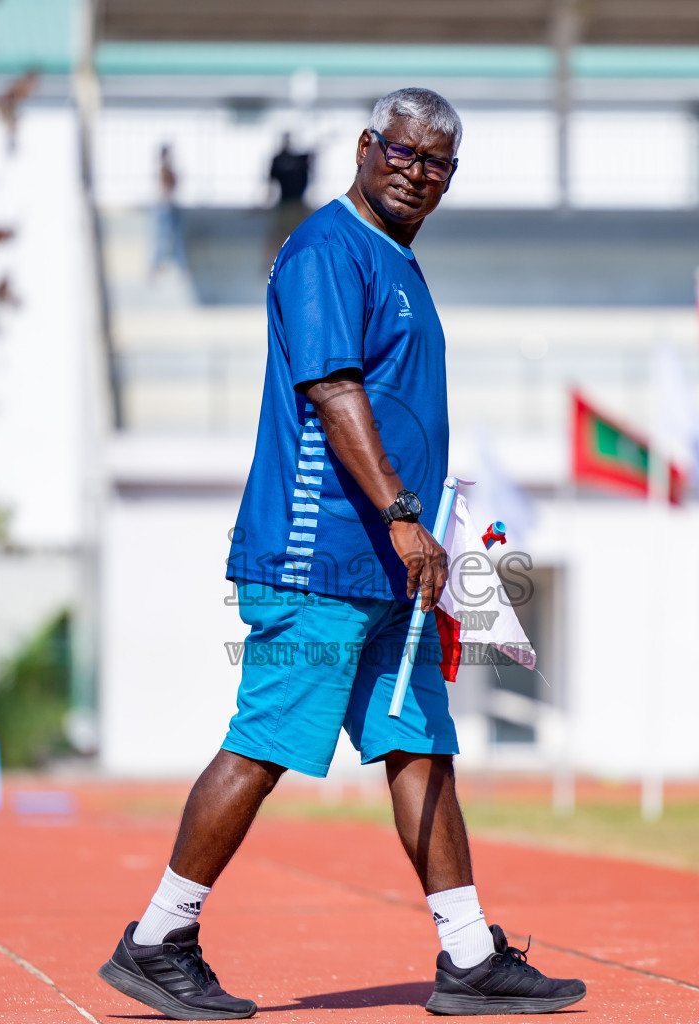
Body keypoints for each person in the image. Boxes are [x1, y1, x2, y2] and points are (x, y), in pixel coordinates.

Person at [94, 88, 586, 1020]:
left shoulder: (397, 260)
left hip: (388, 567)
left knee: (420, 749)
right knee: (265, 743)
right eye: (402, 153)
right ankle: (160, 935)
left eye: (437, 163)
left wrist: (415, 534)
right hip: (319, 556)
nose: (418, 173)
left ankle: (469, 954)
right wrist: (403, 512)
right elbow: (334, 390)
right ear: (366, 148)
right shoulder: (327, 249)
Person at [266, 132, 315, 264]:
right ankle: (275, 261)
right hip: (285, 203)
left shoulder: (299, 159)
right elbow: (270, 183)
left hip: (298, 203)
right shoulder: (278, 160)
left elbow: (311, 163)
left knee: (303, 233)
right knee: (280, 233)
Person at [151, 143, 186, 279]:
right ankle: (158, 265)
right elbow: (163, 188)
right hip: (165, 206)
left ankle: (177, 265)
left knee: (175, 237)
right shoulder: (162, 169)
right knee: (163, 237)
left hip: (170, 205)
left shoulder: (168, 169)